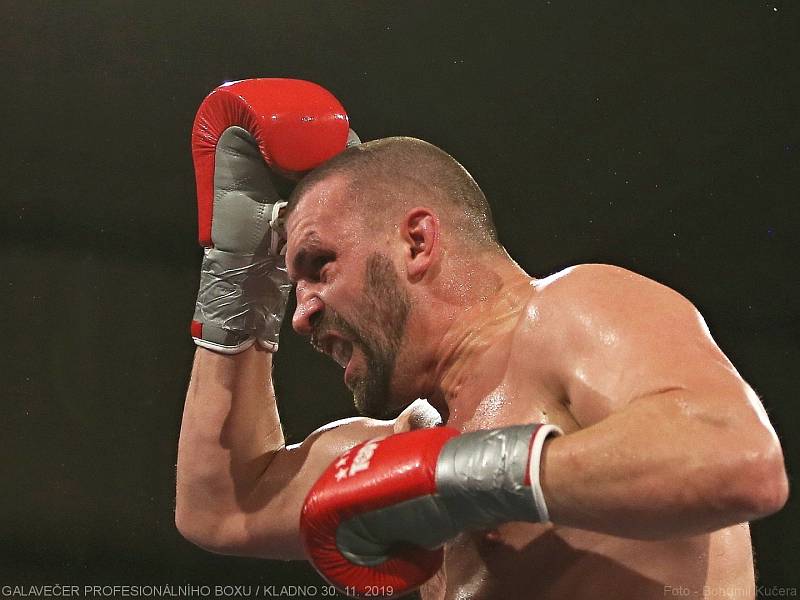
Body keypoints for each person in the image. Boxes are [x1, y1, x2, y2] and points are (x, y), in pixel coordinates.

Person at [176, 80, 788, 600]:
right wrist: (240, 279)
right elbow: (221, 508)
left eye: (318, 265)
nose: (301, 315)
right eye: (291, 282)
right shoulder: (405, 444)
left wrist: (459, 479)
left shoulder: (569, 314)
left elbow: (739, 460)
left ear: (417, 242)